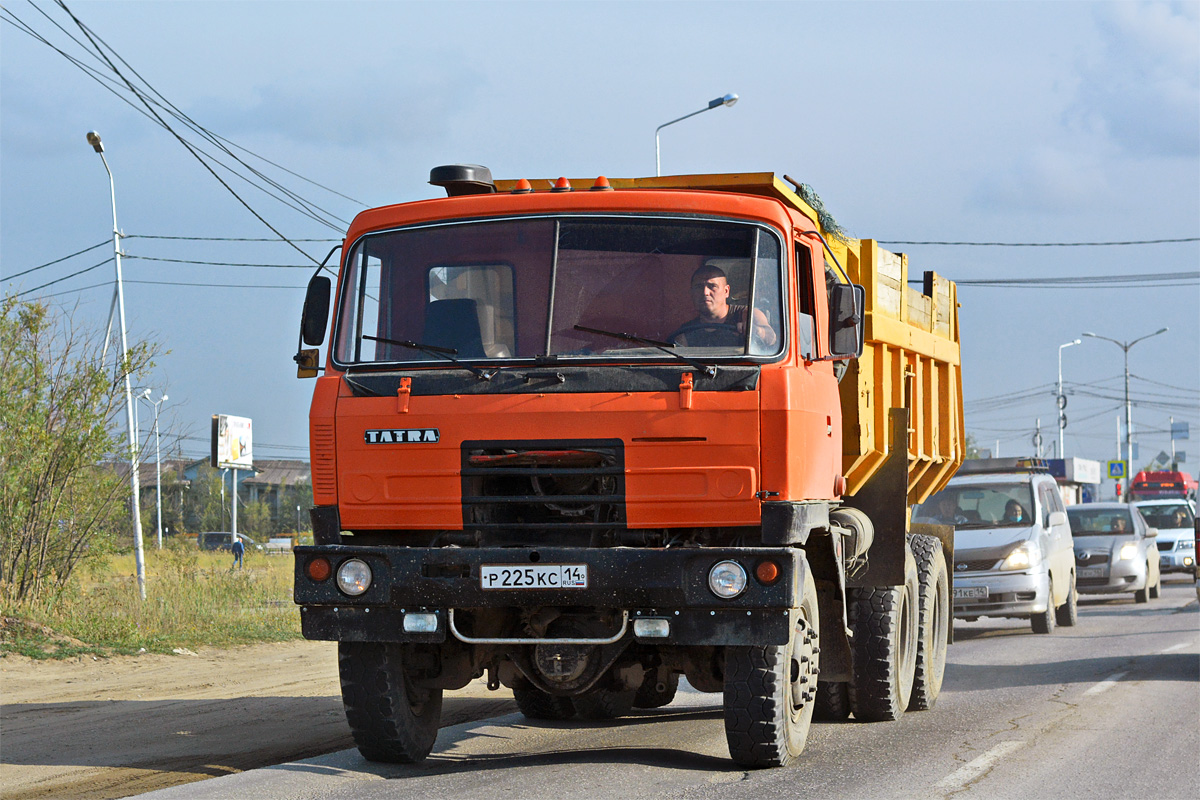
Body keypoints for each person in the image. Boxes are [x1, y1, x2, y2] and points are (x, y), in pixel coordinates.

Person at [670, 265, 777, 347]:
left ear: (726, 291)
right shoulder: (685, 334)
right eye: (698, 287)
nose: (705, 292)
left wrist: (757, 331)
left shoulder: (746, 314)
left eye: (712, 286)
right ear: (691, 293)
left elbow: (771, 338)